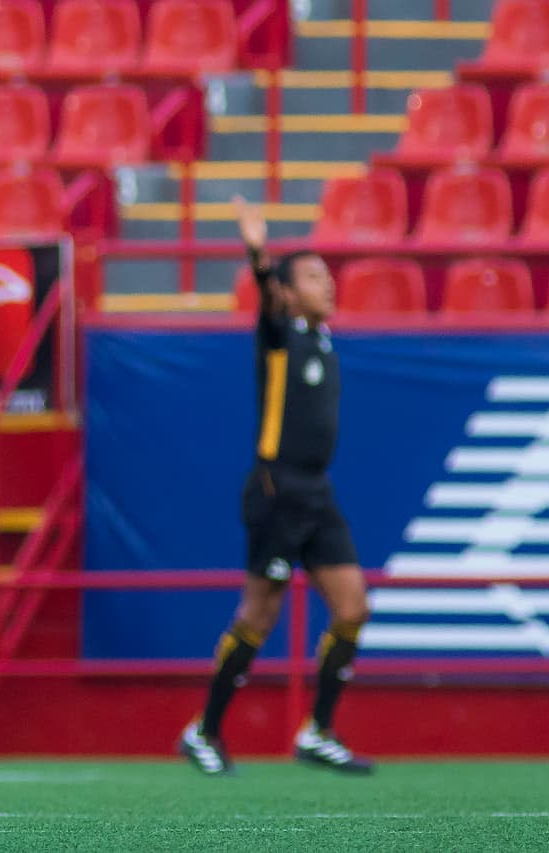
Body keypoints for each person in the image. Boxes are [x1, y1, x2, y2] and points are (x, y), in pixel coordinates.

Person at [178, 196, 373, 776]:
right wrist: (260, 255)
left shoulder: (325, 338)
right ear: (287, 293)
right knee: (259, 616)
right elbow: (266, 300)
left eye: (328, 274)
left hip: (318, 493)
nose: (328, 284)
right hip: (276, 490)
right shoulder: (280, 335)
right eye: (313, 277)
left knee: (353, 608)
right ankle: (204, 730)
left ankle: (318, 731)